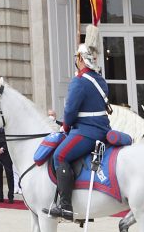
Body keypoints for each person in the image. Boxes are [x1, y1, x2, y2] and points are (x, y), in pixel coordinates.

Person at [46, 26, 111, 220]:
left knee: (60, 155)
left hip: (86, 131)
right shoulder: (100, 79)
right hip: (102, 128)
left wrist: (65, 126)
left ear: (81, 59)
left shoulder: (80, 81)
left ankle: (65, 205)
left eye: (77, 58)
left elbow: (70, 110)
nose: (76, 61)